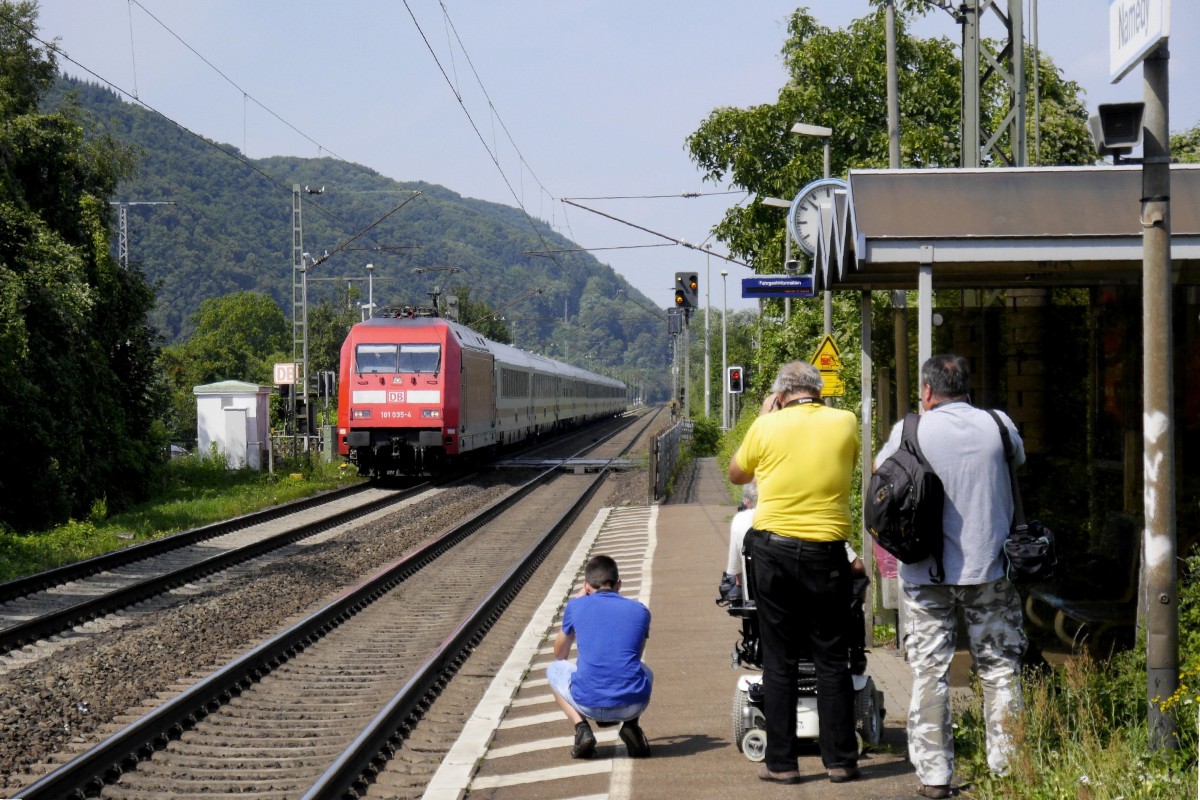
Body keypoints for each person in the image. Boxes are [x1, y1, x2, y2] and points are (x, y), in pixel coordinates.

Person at [875, 354, 1027, 799]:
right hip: (991, 571)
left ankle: (936, 776)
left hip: (924, 574)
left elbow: (882, 478)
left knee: (929, 673)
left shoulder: (909, 431)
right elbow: (1018, 462)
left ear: (926, 390)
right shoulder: (999, 425)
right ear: (966, 387)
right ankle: (1007, 768)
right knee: (1000, 671)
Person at [728, 360, 861, 785]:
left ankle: (782, 765)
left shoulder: (766, 426)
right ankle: (840, 761)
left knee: (780, 660)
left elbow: (737, 474)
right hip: (827, 554)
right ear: (818, 391)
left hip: (774, 554)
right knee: (830, 656)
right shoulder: (846, 421)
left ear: (781, 394)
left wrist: (767, 418)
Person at [547, 554, 653, 760]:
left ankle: (582, 729)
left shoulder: (576, 606)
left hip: (587, 702)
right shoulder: (641, 611)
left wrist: (575, 604)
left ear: (587, 586)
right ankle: (631, 725)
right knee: (643, 670)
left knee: (553, 669)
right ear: (619, 584)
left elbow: (560, 654)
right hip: (631, 704)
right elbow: (635, 657)